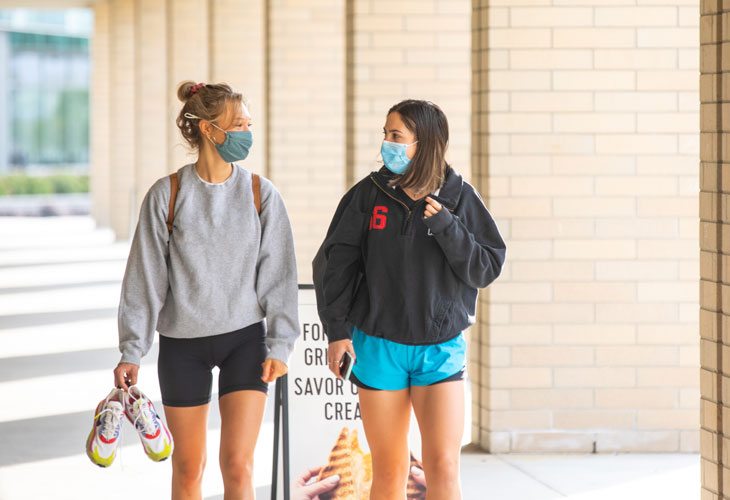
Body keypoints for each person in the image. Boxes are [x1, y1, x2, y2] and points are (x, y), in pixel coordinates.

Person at [113, 81, 298, 500]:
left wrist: (280, 345)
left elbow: (279, 275)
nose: (247, 132)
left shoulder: (260, 194)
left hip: (245, 342)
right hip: (182, 346)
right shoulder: (168, 195)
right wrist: (131, 349)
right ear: (210, 130)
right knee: (188, 469)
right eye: (239, 124)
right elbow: (144, 279)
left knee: (238, 467)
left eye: (249, 124)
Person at [313, 99, 506, 500]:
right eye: (386, 134)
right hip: (379, 346)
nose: (387, 143)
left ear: (425, 143)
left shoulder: (459, 198)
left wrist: (448, 227)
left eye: (396, 136)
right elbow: (334, 265)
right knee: (389, 469)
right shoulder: (368, 195)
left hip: (440, 350)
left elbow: (486, 268)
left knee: (444, 467)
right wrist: (336, 332)